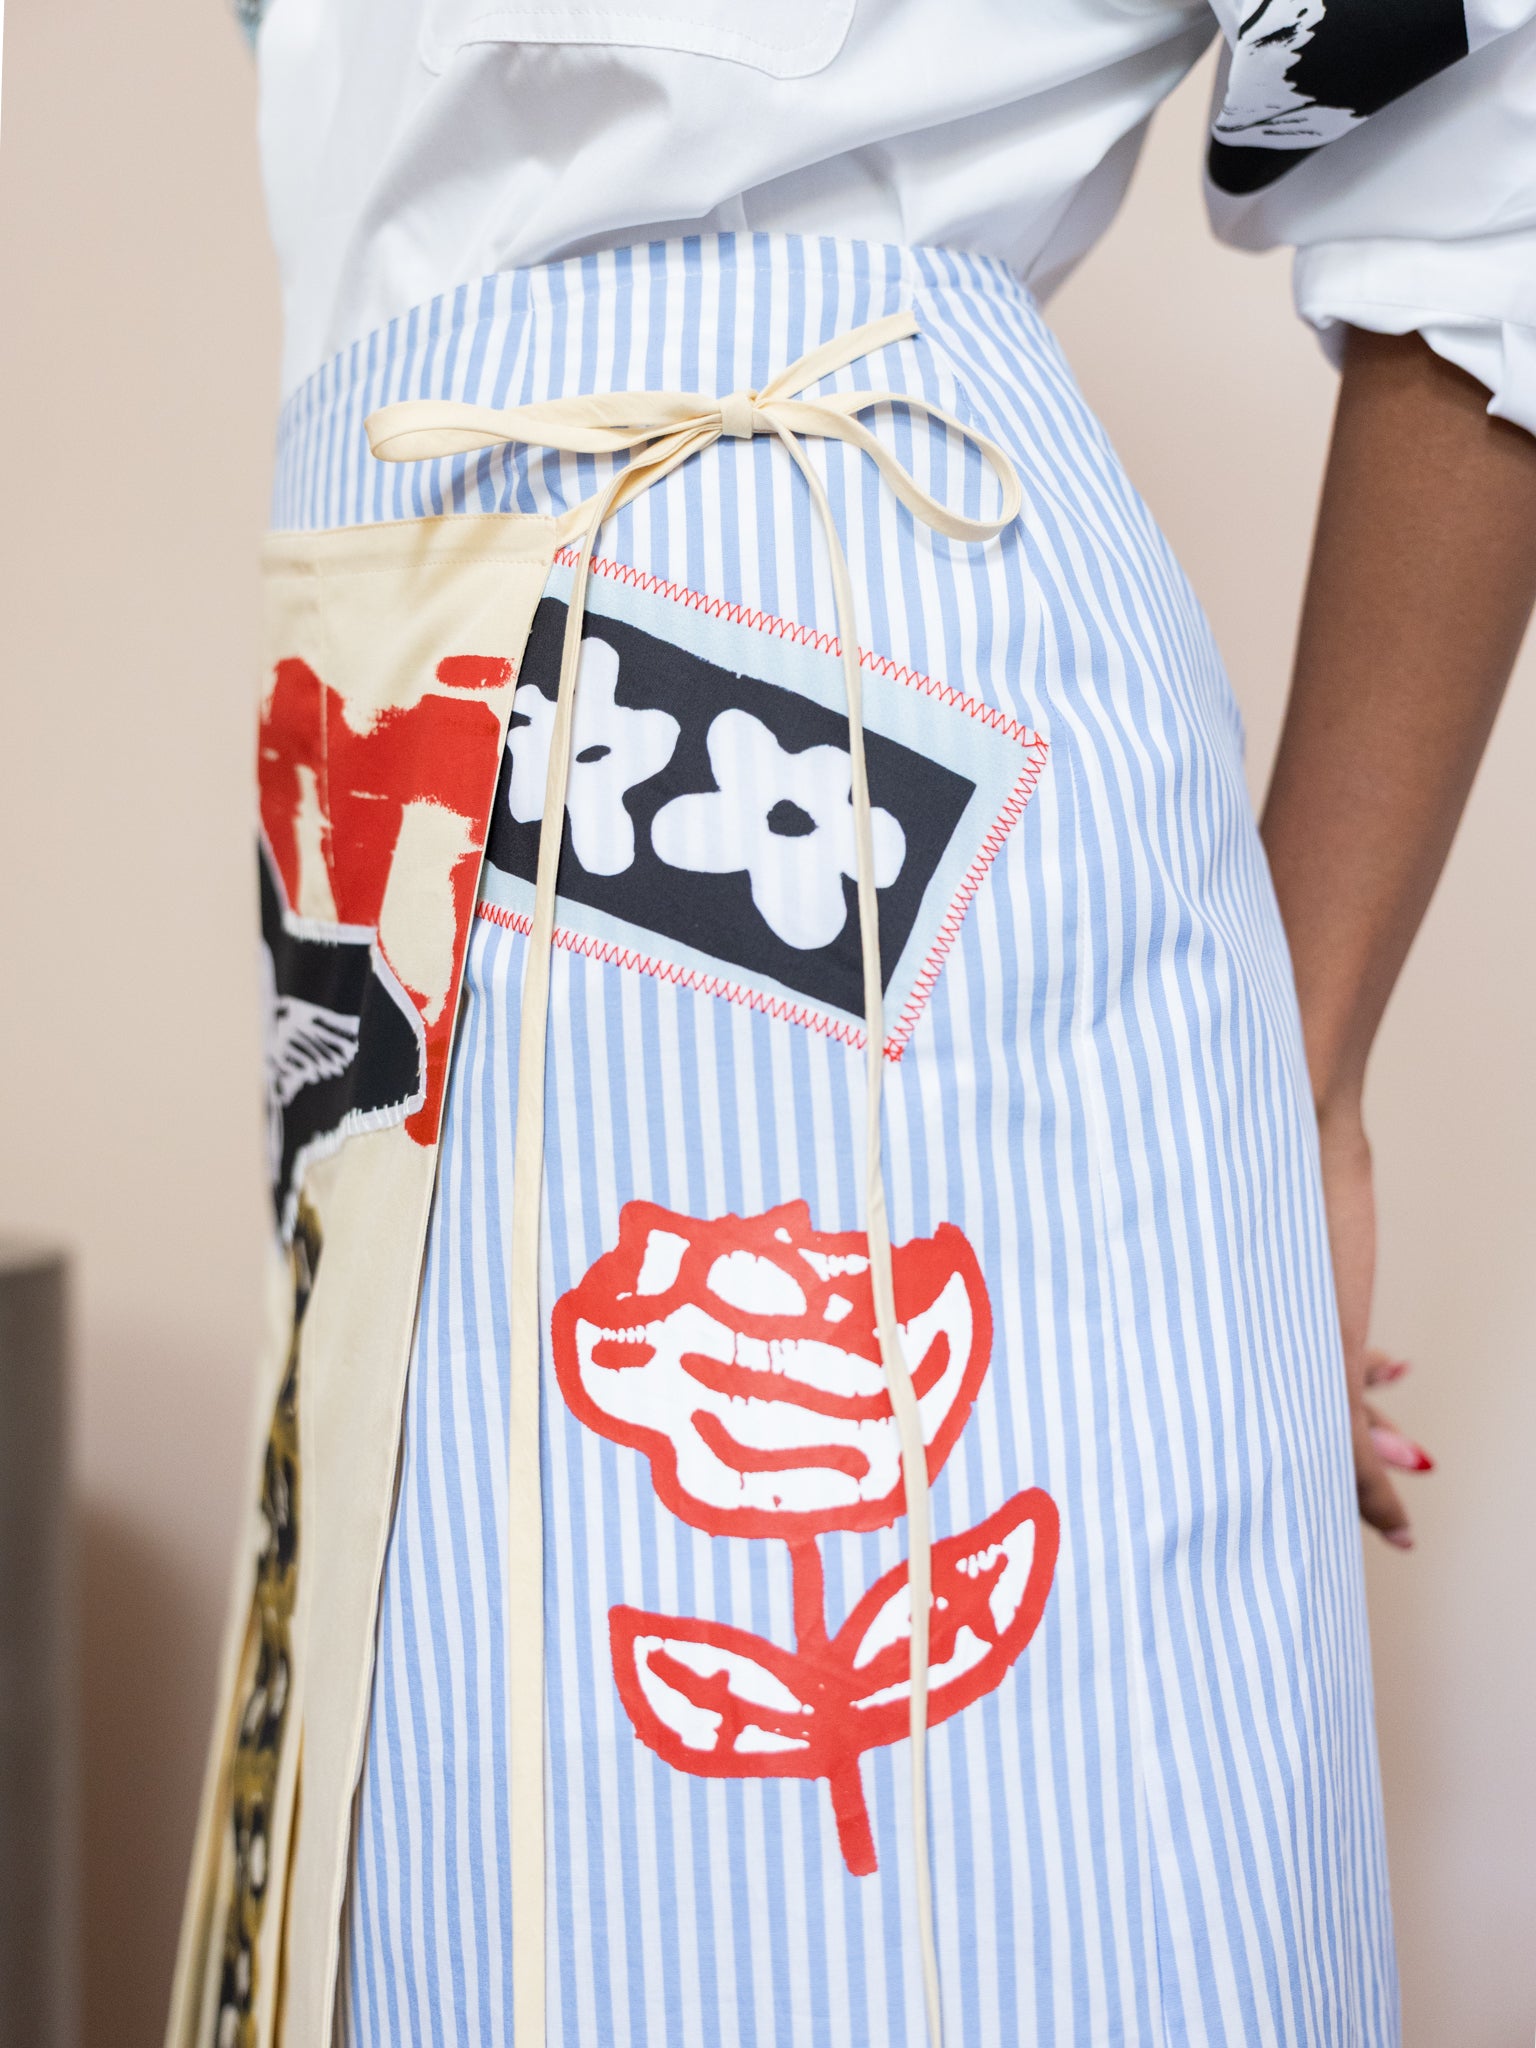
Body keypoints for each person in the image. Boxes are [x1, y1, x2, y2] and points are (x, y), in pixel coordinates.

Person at [169, 4, 1536, 2045]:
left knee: (1023, 1931)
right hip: (384, 737)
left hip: (885, 766)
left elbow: (1491, 127)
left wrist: (1310, 1077)